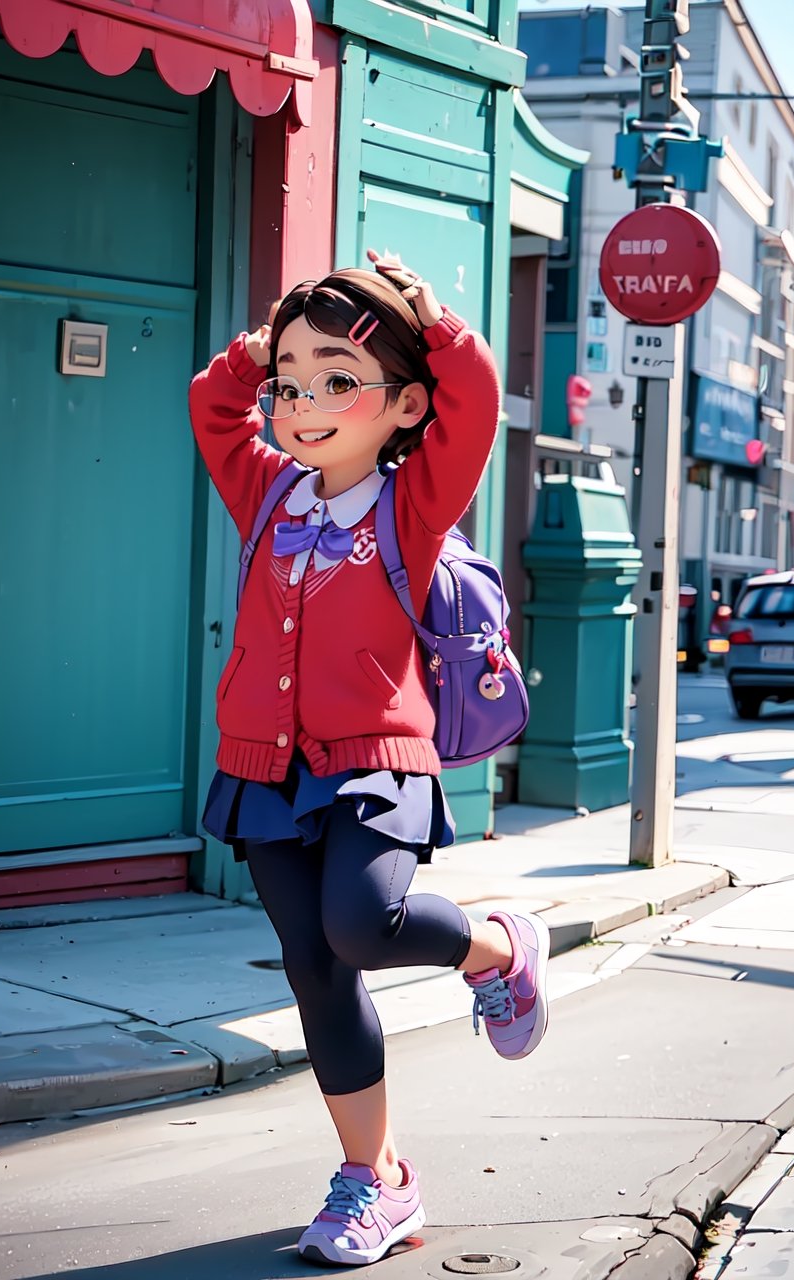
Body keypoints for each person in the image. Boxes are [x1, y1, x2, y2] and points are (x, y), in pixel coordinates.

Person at [188, 251, 550, 1268]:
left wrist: (432, 318)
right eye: (291, 383)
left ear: (401, 406)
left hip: (379, 758)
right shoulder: (268, 492)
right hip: (264, 764)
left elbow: (472, 398)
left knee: (364, 921)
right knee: (316, 968)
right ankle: (376, 1182)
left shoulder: (412, 503)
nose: (305, 403)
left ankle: (497, 949)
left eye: (337, 380)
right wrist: (253, 350)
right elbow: (213, 409)